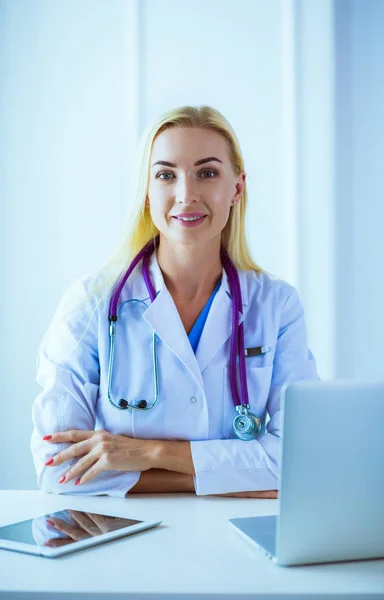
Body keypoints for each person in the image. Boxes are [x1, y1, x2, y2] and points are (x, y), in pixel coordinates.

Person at [31, 104, 320, 499]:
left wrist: (147, 453)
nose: (187, 195)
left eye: (207, 173)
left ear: (236, 188)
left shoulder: (277, 305)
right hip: (123, 539)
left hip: (233, 539)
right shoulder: (91, 303)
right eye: (166, 175)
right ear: (147, 193)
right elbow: (59, 469)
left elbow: (300, 459)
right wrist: (229, 477)